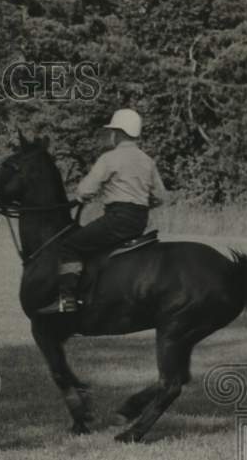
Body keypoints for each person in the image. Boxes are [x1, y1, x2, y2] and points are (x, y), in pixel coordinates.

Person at [40, 108, 168, 314]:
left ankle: (67, 299)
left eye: (112, 131)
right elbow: (161, 197)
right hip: (139, 219)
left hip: (117, 218)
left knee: (69, 246)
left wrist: (83, 197)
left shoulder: (110, 158)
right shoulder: (147, 160)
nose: (111, 135)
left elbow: (86, 189)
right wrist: (143, 201)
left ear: (117, 133)